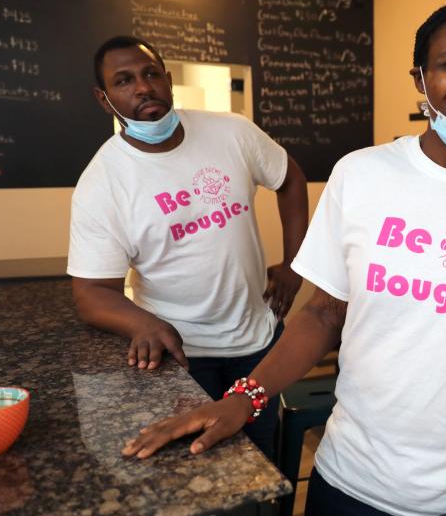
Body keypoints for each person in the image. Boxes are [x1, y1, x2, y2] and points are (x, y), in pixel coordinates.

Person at [121, 0, 446, 516]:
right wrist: (245, 398)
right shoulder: (363, 174)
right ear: (420, 76)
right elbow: (322, 313)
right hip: (357, 483)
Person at [68, 36, 308, 461]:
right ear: (104, 100)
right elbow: (91, 291)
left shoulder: (232, 131)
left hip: (257, 345)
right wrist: (140, 323)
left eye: (151, 73)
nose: (143, 87)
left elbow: (290, 179)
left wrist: (295, 262)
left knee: (259, 460)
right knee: (196, 463)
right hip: (180, 356)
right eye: (124, 81)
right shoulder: (103, 181)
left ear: (168, 79)